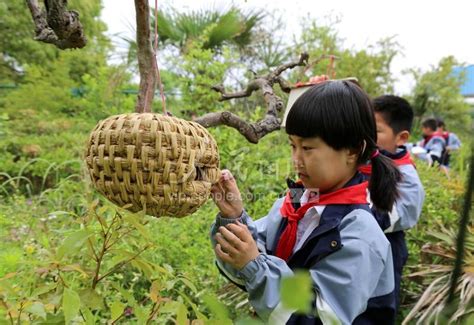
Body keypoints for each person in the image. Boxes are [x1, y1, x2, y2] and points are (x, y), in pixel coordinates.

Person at [209, 80, 401, 324]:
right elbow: (251, 263)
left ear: (352, 151)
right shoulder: (299, 200)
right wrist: (235, 217)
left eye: (308, 148)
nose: (297, 160)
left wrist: (253, 264)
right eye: (293, 145)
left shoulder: (360, 235)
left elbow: (317, 318)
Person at [360, 95, 425, 312]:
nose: (367, 135)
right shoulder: (362, 161)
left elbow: (385, 218)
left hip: (386, 251)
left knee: (377, 307)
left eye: (376, 130)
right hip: (356, 248)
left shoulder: (407, 179)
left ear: (402, 137)